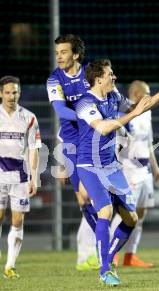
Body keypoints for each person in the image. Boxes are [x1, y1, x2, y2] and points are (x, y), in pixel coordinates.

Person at [75, 59, 159, 286]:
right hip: (89, 166)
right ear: (98, 78)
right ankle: (105, 269)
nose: (114, 77)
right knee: (105, 211)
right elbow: (103, 127)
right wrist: (133, 115)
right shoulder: (85, 103)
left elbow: (138, 107)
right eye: (110, 74)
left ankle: (109, 256)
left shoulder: (113, 97)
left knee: (131, 219)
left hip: (112, 166)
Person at [0, 76, 41, 278]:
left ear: (19, 93)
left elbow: (34, 149)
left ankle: (10, 265)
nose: (12, 96)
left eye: (15, 92)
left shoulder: (29, 118)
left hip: (20, 177)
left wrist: (33, 177)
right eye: (8, 92)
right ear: (0, 93)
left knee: (18, 220)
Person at [46, 34, 99, 271]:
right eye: (57, 52)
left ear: (75, 55)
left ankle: (99, 246)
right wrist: (86, 115)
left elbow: (106, 98)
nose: (59, 56)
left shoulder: (91, 73)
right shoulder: (54, 80)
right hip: (71, 143)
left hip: (94, 139)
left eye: (64, 52)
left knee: (96, 197)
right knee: (83, 199)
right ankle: (94, 248)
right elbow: (60, 110)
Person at [110, 80, 159, 268]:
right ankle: (112, 253)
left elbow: (148, 144)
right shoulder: (125, 114)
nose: (149, 97)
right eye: (146, 93)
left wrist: (156, 170)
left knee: (141, 213)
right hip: (129, 170)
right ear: (136, 93)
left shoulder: (146, 115)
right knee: (125, 213)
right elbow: (116, 144)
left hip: (145, 170)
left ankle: (130, 256)